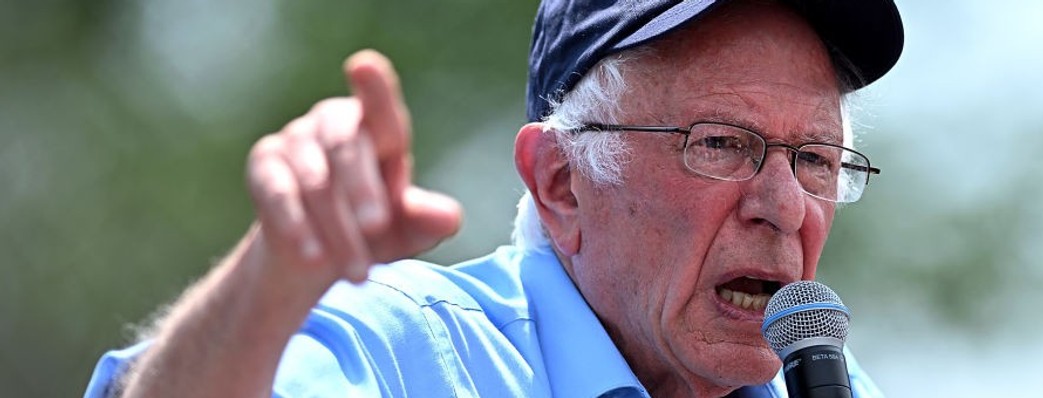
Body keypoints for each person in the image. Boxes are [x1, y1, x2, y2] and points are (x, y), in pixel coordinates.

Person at [84, 0, 903, 396]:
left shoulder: (827, 387)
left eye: (816, 160)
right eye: (723, 145)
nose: (786, 206)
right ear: (560, 185)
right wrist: (268, 284)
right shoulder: (406, 348)